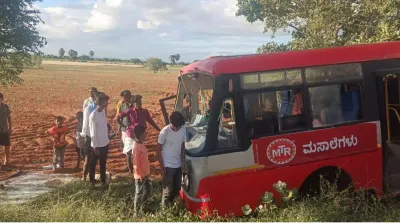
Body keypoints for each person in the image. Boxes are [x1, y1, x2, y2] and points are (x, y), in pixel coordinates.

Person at [117, 95, 161, 174]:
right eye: (136, 102)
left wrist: (158, 129)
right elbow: (118, 117)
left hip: (140, 135)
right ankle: (131, 171)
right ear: (133, 103)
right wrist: (123, 126)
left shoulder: (145, 111)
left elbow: (150, 121)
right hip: (131, 134)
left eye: (139, 101)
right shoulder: (130, 111)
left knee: (138, 152)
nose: (138, 103)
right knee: (129, 152)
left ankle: (138, 169)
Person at [156, 111, 186, 208]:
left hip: (178, 165)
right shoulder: (164, 132)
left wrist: (183, 163)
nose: (177, 128)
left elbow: (182, 146)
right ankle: (164, 210)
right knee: (167, 190)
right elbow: (158, 149)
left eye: (179, 127)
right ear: (171, 123)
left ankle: (172, 205)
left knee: (177, 188)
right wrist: (162, 167)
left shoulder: (183, 129)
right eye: (175, 126)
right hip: (168, 165)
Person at [89, 93, 110, 187]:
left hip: (105, 143)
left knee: (103, 163)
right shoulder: (93, 115)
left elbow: (104, 127)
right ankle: (91, 181)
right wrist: (95, 146)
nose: (107, 103)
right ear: (101, 102)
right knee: (93, 163)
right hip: (97, 145)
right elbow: (92, 132)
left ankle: (103, 181)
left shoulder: (103, 112)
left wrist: (107, 139)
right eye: (106, 101)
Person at [133, 125, 151, 216]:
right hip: (141, 176)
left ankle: (143, 208)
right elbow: (136, 165)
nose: (146, 134)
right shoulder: (136, 148)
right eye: (144, 133)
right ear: (140, 135)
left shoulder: (141, 143)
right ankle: (136, 213)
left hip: (146, 174)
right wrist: (141, 176)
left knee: (148, 190)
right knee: (139, 193)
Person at [0, 93, 12, 166]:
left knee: (7, 145)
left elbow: (9, 118)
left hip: (4, 129)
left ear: (2, 99)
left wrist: (10, 127)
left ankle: (7, 161)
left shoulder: (6, 107)